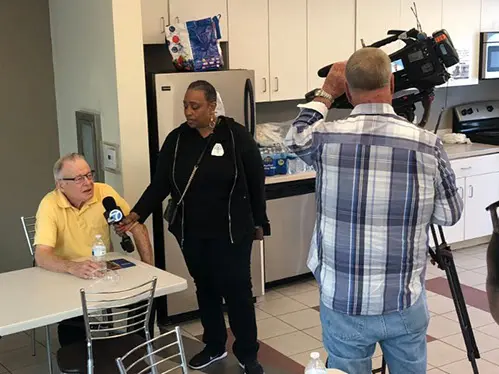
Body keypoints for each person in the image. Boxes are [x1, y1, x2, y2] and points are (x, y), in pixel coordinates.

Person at [285, 48, 463, 373]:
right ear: (391, 83)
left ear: (349, 91)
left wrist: (327, 92)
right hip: (403, 300)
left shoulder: (325, 138)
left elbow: (294, 138)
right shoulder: (428, 145)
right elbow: (450, 215)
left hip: (343, 299)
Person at [117, 80, 267, 374]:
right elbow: (160, 183)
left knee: (237, 290)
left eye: (194, 106)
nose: (188, 111)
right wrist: (136, 214)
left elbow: (255, 182)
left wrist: (260, 222)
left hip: (232, 231)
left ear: (212, 106)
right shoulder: (176, 140)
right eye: (185, 105)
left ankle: (248, 354)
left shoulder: (236, 137)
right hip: (192, 232)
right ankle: (213, 345)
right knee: (206, 288)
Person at [34, 153, 154, 346]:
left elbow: (137, 227)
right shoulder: (49, 204)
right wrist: (72, 267)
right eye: (79, 179)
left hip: (102, 268)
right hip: (66, 274)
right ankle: (82, 362)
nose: (88, 183)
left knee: (143, 294)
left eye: (89, 175)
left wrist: (149, 269)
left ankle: (136, 352)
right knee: (73, 321)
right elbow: (41, 255)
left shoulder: (104, 192)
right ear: (60, 184)